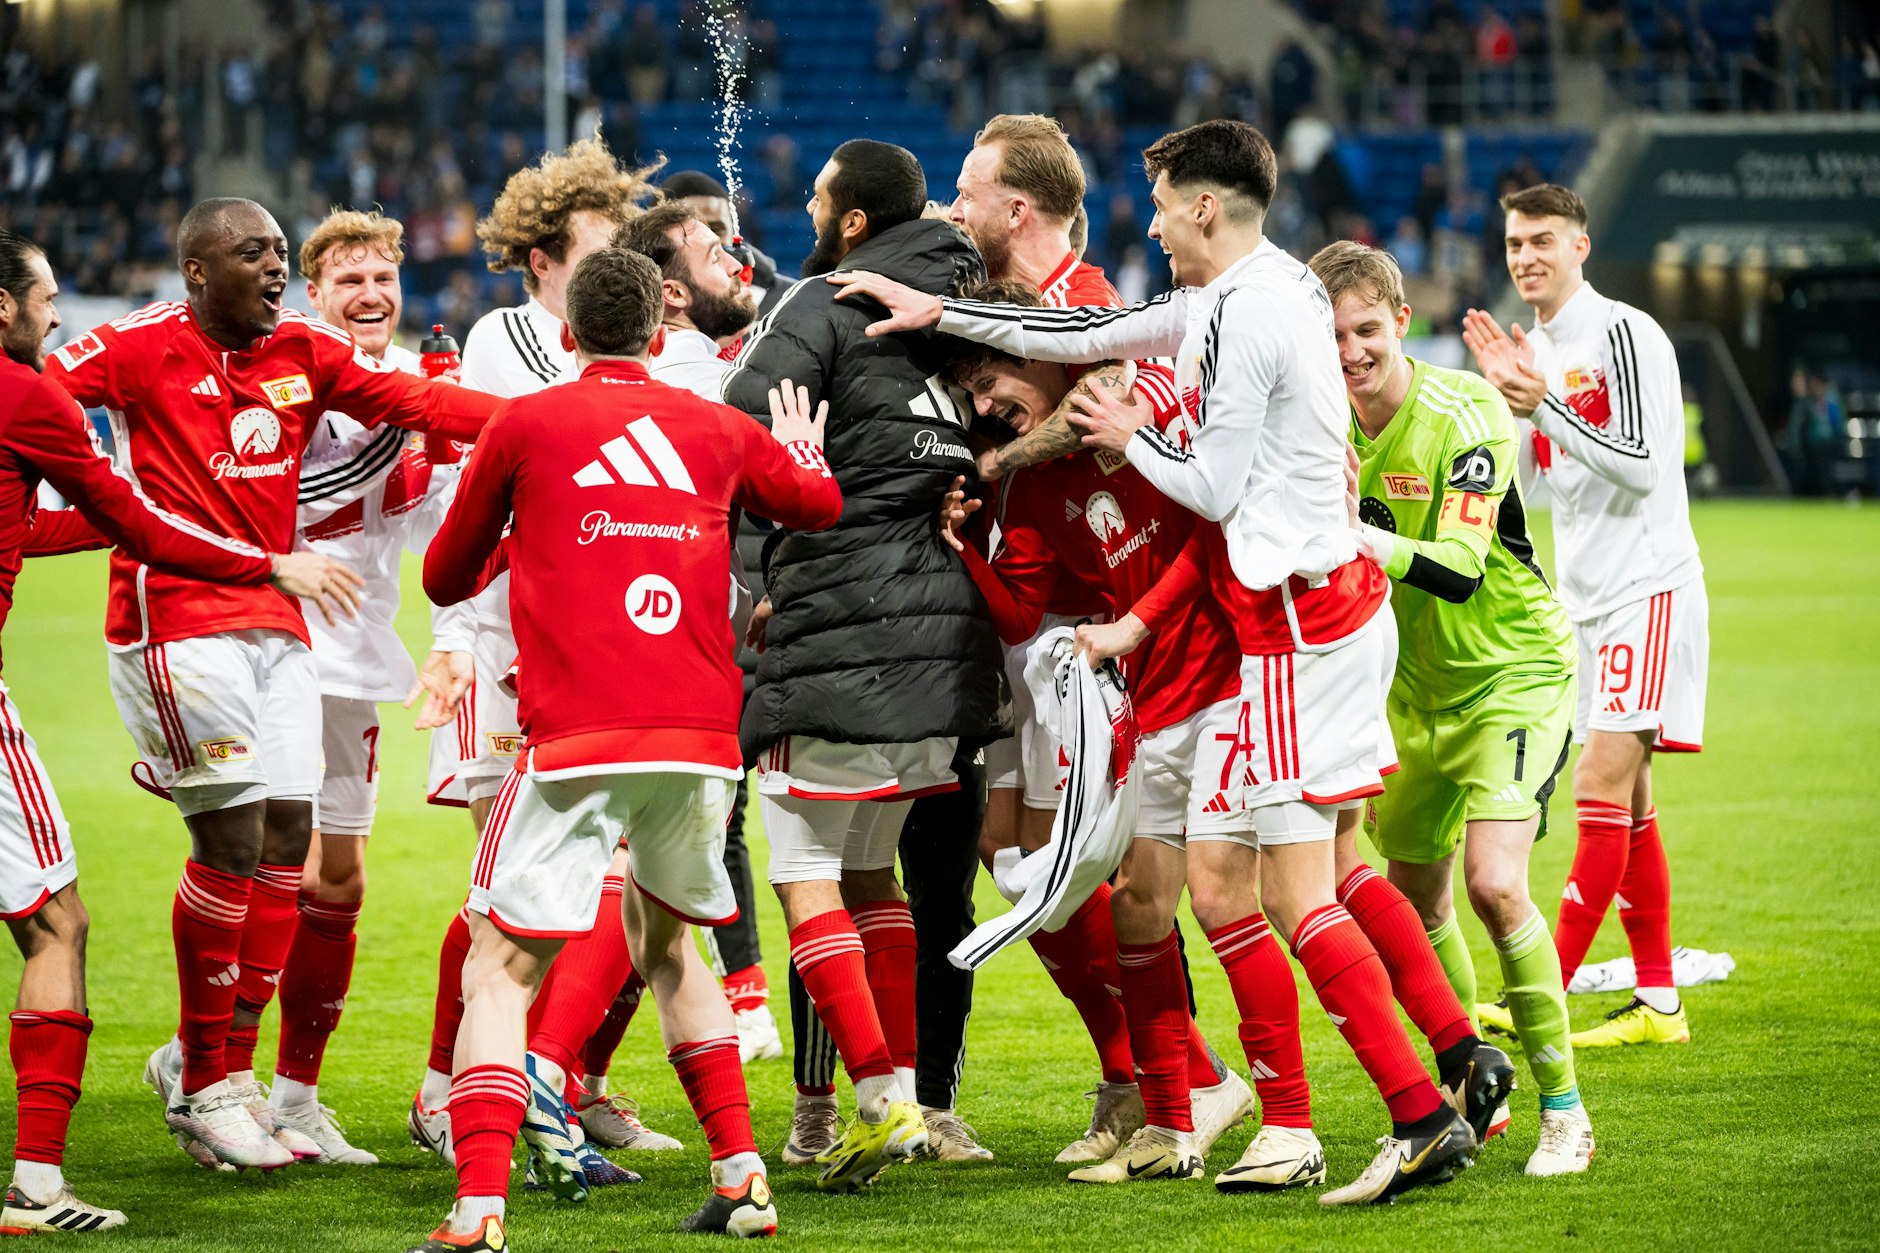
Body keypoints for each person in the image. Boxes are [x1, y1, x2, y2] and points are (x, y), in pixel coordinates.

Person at [831, 118, 1478, 1205]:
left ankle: (1395, 1109)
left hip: (1285, 626)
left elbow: (1215, 491)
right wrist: (940, 311)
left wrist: (1131, 437)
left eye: (1166, 206)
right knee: (1237, 885)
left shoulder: (1246, 317)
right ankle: (1348, 1103)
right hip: (1284, 620)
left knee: (1288, 890)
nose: (1154, 225)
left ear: (1205, 210)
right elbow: (1110, 333)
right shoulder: (1240, 295)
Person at [44, 198, 496, 1171]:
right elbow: (38, 394)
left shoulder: (308, 355)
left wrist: (547, 419)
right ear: (197, 271)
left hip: (293, 628)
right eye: (256, 253)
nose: (275, 268)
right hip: (182, 619)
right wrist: (71, 499)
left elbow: (425, 412)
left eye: (281, 252)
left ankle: (236, 1076)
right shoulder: (134, 346)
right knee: (239, 837)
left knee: (295, 840)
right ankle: (210, 1075)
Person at [411, 245, 842, 1252]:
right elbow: (815, 505)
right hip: (699, 743)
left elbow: (442, 577)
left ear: (567, 332)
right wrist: (803, 450)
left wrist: (532, 531)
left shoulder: (526, 421)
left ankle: (476, 1209)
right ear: (659, 331)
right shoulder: (718, 427)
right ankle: (742, 1180)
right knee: (670, 945)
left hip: (573, 741)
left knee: (498, 967)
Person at [0, 231, 355, 1233]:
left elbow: (75, 519)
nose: (56, 315)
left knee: (273, 835)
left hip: (243, 636)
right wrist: (266, 560)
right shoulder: (27, 393)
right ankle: (36, 1183)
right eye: (46, 296)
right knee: (55, 923)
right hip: (190, 626)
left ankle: (211, 1073)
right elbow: (136, 520)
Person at [936, 279, 1319, 1191]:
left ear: (1043, 350)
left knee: (1250, 901)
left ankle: (1297, 1120)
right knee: (1145, 905)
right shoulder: (1031, 487)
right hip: (1151, 699)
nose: (988, 409)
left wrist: (1137, 620)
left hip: (1235, 678)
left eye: (993, 382)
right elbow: (1025, 608)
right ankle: (1169, 1122)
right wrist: (957, 548)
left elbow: (1214, 530)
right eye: (978, 401)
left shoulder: (1152, 403)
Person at [937, 112, 1253, 1168]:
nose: (956, 207)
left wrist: (989, 467)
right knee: (1025, 856)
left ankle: (1186, 1077)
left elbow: (1100, 415)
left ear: (1015, 209)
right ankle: (1141, 1073)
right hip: (1058, 615)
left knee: (1107, 869)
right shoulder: (1013, 303)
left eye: (969, 193)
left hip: (1110, 627)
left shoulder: (1087, 308)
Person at [718, 138, 1005, 1191]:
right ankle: (905, 1102)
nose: (800, 200)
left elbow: (735, 439)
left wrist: (754, 579)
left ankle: (879, 1097)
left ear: (849, 222)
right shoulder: (970, 310)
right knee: (870, 870)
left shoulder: (818, 303)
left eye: (816, 191)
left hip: (835, 627)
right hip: (941, 639)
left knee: (797, 869)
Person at [408, 139, 680, 1177]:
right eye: (597, 256)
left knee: (614, 891)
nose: (621, 278)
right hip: (498, 640)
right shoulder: (503, 345)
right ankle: (458, 1089)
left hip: (594, 652)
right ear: (539, 262)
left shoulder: (621, 345)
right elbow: (503, 490)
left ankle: (571, 1082)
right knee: (517, 891)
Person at [1315, 240, 1589, 1175]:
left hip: (1512, 670)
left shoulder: (1463, 407)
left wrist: (1349, 533)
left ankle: (1565, 1110)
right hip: (1404, 692)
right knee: (1415, 896)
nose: (1351, 350)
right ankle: (1481, 1086)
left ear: (1400, 321)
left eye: (1366, 329)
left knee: (1494, 883)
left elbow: (1465, 571)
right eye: (1333, 333)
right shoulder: (1323, 421)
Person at [1463, 183, 1705, 1050]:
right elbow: (1532, 485)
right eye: (1514, 242)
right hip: (1585, 598)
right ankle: (1658, 1003)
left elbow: (1643, 465)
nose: (1525, 255)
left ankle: (1545, 989)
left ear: (1581, 247)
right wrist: (1507, 413)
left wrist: (1543, 402)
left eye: (1542, 240)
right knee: (1630, 808)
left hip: (1647, 584)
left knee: (1600, 786)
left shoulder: (1626, 334)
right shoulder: (1542, 348)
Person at [246, 209, 463, 1164]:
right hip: (271, 646)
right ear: (313, 294)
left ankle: (292, 1095)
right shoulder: (289, 381)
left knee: (338, 873)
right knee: (258, 863)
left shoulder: (416, 388)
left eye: (384, 278)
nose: (371, 296)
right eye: (349, 281)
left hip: (356, 660)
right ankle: (213, 1070)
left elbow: (437, 535)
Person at [615, 199, 784, 1064]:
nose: (739, 259)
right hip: (690, 656)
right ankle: (542, 1073)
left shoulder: (684, 373)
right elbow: (804, 495)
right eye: (717, 251)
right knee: (664, 872)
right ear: (672, 296)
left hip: (661, 646)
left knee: (663, 868)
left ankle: (569, 1075)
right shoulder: (706, 386)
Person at [660, 170, 790, 315]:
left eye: (716, 229)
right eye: (690, 232)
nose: (710, 241)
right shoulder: (638, 303)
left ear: (734, 231)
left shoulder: (786, 300)